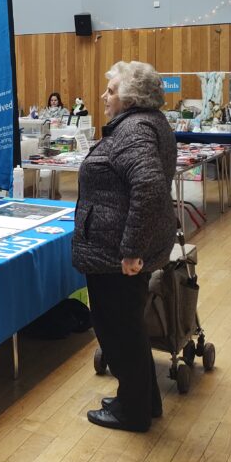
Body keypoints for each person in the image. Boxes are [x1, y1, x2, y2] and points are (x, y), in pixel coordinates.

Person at [73, 60, 176, 433]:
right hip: (118, 248)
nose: (104, 96)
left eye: (112, 90)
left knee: (118, 331)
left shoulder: (133, 130)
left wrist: (131, 249)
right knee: (128, 327)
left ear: (132, 98)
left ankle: (132, 412)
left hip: (116, 253)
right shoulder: (144, 124)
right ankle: (143, 400)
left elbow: (147, 188)